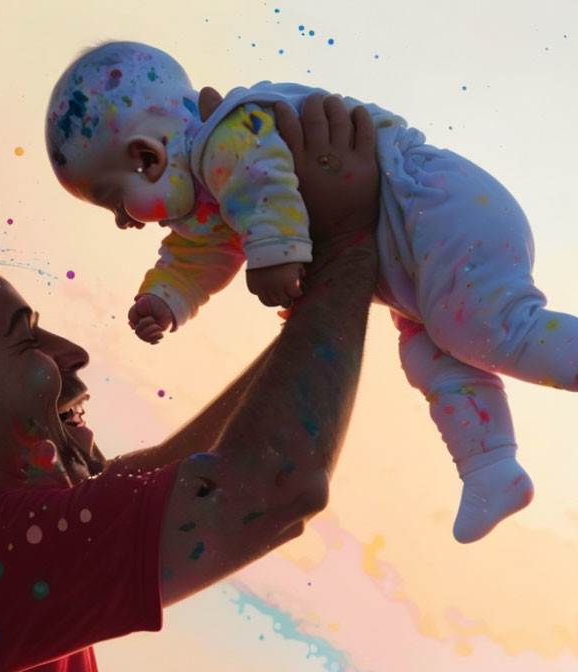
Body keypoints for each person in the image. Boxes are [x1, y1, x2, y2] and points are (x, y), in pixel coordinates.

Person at [0, 91, 381, 671]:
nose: (74, 354)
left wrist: (321, 280)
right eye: (26, 339)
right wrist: (350, 246)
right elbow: (268, 485)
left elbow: (182, 470)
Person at [45, 40, 578, 543]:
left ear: (147, 158)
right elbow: (195, 258)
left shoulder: (228, 135)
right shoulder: (207, 198)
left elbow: (265, 185)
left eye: (116, 202)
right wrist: (164, 301)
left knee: (489, 327)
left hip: (435, 210)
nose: (124, 223)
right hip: (412, 255)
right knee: (429, 353)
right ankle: (491, 468)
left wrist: (278, 255)